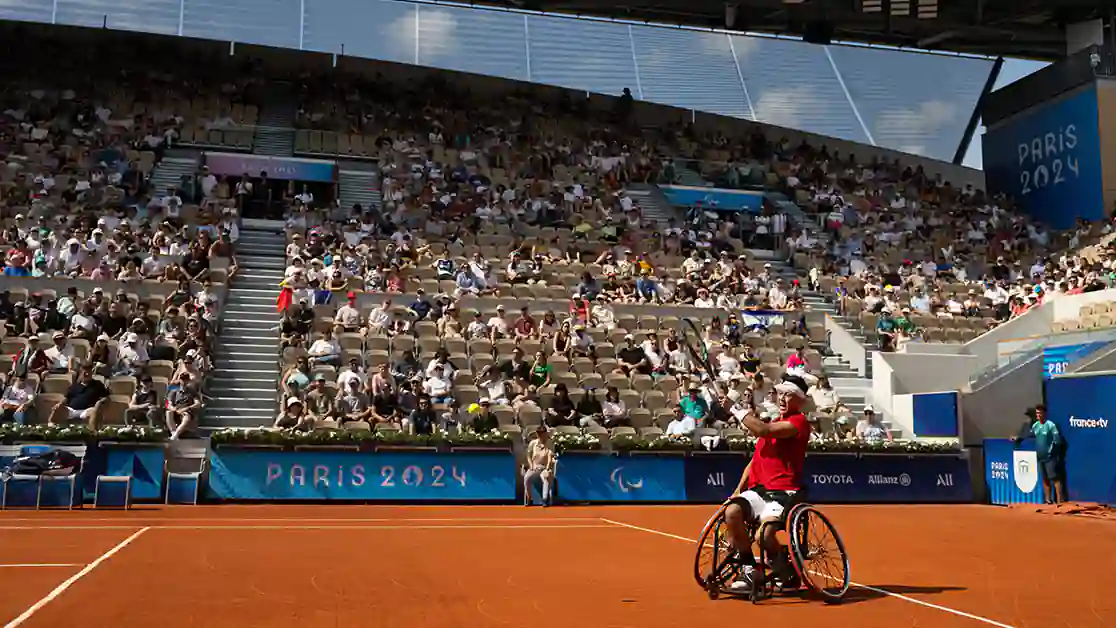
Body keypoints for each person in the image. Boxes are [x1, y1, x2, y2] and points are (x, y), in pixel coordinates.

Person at [724, 375, 811, 593]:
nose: (782, 398)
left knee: (763, 536)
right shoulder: (773, 423)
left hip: (785, 492)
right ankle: (748, 569)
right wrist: (738, 490)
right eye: (780, 393)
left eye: (788, 394)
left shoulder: (797, 422)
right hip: (760, 491)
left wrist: (735, 410)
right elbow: (754, 461)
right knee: (732, 511)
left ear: (800, 400)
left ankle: (786, 570)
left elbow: (763, 431)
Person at [1013, 404, 1065, 504]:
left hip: (1050, 457)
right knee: (1045, 479)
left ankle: (1060, 502)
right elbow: (1028, 434)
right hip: (1040, 457)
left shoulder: (1051, 425)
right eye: (1037, 413)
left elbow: (1057, 439)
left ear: (1045, 414)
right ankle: (1048, 500)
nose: (1038, 415)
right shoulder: (1036, 425)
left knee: (1055, 479)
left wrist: (1054, 450)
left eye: (1040, 413)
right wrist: (1018, 438)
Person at [523, 425, 556, 506]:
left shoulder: (550, 443)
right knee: (527, 477)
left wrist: (547, 468)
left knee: (546, 476)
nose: (540, 435)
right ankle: (529, 498)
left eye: (542, 433)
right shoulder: (533, 443)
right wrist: (531, 466)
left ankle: (545, 499)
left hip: (545, 467)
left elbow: (550, 456)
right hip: (535, 466)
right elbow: (528, 456)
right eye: (539, 434)